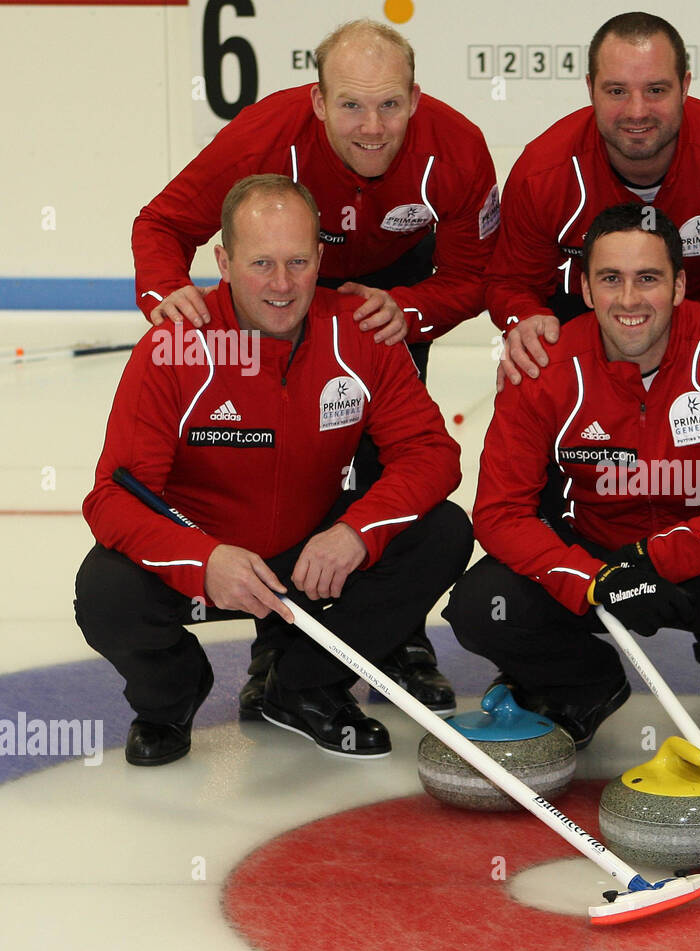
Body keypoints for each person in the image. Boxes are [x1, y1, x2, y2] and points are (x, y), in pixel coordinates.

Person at [131, 19, 497, 712]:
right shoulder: (262, 137)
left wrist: (411, 310)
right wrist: (163, 296)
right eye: (351, 105)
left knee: (395, 470)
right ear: (318, 102)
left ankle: (397, 635)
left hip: (388, 297)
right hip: (283, 288)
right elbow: (161, 225)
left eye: (390, 104)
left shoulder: (459, 149)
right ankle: (279, 637)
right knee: (290, 460)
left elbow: (477, 274)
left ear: (416, 99)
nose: (372, 126)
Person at [77, 175, 471, 766]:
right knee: (105, 590)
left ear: (320, 259)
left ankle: (304, 686)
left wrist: (356, 533)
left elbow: (431, 453)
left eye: (297, 262)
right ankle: (171, 697)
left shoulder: (360, 331)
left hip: (309, 562)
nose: (282, 285)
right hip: (207, 564)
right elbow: (112, 497)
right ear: (224, 262)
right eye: (261, 263)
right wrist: (202, 559)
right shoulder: (177, 347)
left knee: (442, 532)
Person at [446, 205, 700, 776]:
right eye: (611, 279)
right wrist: (592, 579)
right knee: (482, 606)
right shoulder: (542, 364)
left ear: (680, 285)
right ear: (584, 287)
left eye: (648, 278)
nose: (629, 300)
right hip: (596, 563)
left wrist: (657, 559)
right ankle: (583, 686)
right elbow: (500, 514)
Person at [487, 11, 700, 388]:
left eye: (656, 90)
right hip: (588, 319)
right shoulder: (542, 172)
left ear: (685, 86)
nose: (637, 112)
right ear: (590, 89)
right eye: (617, 91)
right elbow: (508, 283)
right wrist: (523, 317)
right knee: (527, 364)